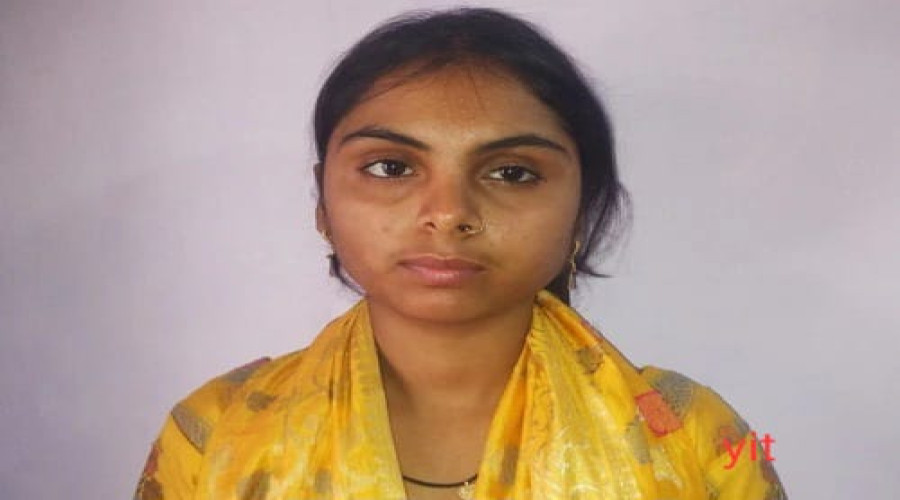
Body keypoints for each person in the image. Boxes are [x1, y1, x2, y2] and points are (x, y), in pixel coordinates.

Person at [134, 7, 785, 500]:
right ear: (323, 203)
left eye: (511, 172)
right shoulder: (215, 434)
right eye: (391, 167)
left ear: (581, 211)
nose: (448, 212)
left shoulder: (697, 438)